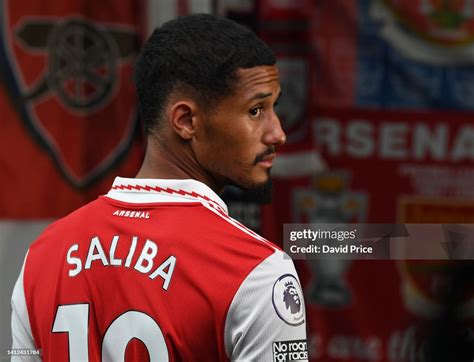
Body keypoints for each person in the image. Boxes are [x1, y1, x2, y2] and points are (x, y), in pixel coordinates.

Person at [11, 14, 308, 361]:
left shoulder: (42, 257)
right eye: (256, 110)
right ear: (185, 121)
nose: (278, 133)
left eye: (275, 107)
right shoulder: (257, 273)